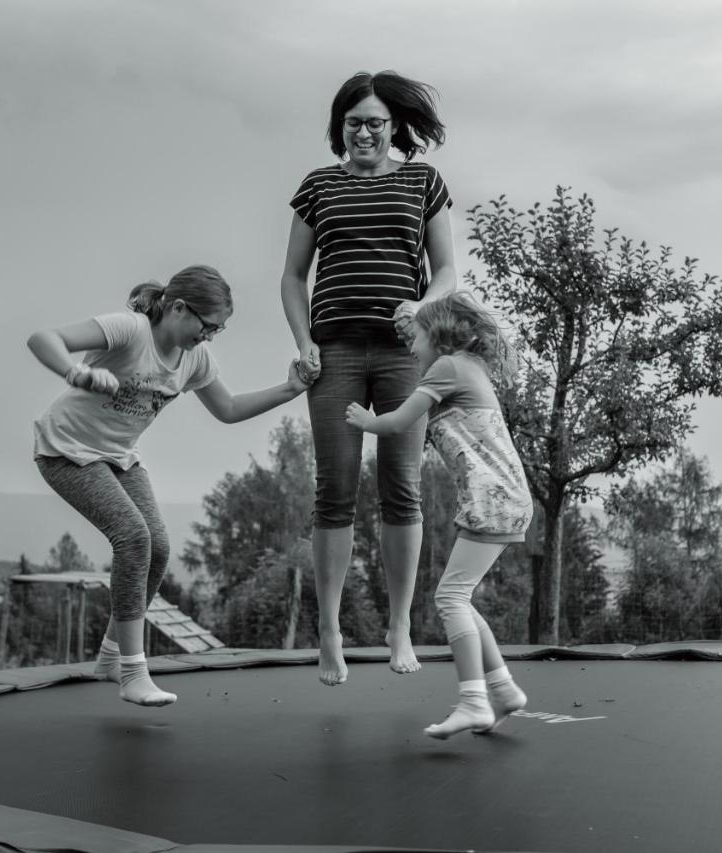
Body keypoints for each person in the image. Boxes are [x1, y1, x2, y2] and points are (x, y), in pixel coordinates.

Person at [28, 264, 310, 707]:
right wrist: (74, 372)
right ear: (178, 307)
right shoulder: (130, 331)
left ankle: (109, 657)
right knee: (133, 538)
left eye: (219, 331)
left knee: (158, 548)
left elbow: (230, 408)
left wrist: (289, 390)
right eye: (208, 326)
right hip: (66, 451)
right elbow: (42, 338)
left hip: (119, 457)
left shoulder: (195, 359)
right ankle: (132, 673)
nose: (210, 337)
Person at [280, 70, 456, 686]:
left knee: (401, 487)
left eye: (375, 123)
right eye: (354, 122)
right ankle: (329, 630)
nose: (364, 132)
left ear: (393, 128)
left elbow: (448, 272)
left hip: (403, 354)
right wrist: (303, 343)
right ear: (341, 127)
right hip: (334, 355)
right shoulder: (319, 187)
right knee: (333, 490)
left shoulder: (422, 181)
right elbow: (293, 277)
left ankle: (399, 626)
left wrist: (422, 306)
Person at [345, 292, 532, 739]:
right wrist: (412, 314)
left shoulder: (446, 368)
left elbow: (397, 422)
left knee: (449, 599)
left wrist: (363, 418)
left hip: (493, 501)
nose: (410, 346)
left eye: (415, 337)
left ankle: (473, 702)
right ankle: (503, 690)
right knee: (460, 597)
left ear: (439, 335)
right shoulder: (469, 366)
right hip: (504, 499)